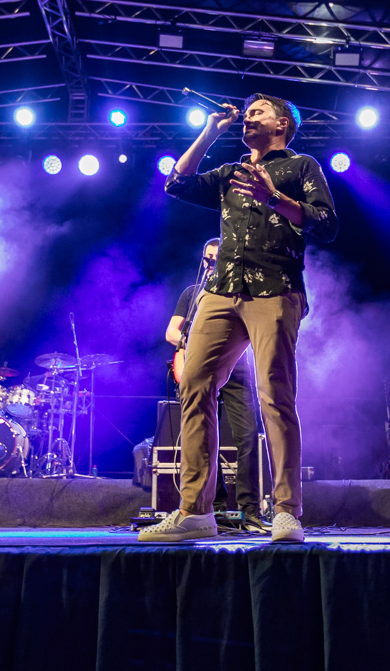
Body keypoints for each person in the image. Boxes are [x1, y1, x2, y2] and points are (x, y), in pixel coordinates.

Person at [140, 92, 338, 543]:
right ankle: (195, 511)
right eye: (246, 113)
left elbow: (326, 223)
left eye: (258, 112)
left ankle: (286, 511)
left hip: (276, 287)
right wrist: (209, 132)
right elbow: (177, 183)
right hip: (221, 289)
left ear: (282, 124)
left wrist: (274, 198)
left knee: (275, 395)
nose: (248, 117)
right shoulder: (231, 171)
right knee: (194, 384)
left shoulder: (302, 166)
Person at [166, 238, 270, 534]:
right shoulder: (192, 292)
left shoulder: (239, 289)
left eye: (217, 257)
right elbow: (171, 331)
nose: (211, 263)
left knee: (247, 436)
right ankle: (218, 506)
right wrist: (194, 343)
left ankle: (250, 510)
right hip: (203, 367)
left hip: (238, 369)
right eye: (207, 258)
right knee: (203, 435)